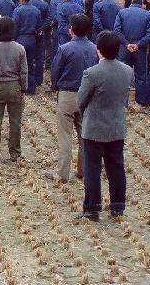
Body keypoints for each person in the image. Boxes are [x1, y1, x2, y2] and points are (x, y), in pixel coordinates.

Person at [75, 31, 132, 221]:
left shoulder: (91, 73)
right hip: (116, 125)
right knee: (116, 166)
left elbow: (80, 100)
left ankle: (92, 208)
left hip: (94, 127)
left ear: (98, 51)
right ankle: (117, 206)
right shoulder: (127, 70)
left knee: (92, 168)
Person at [47, 14, 98, 183]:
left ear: (71, 30)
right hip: (87, 95)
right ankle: (84, 171)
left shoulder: (65, 48)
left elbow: (55, 71)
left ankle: (62, 174)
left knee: (65, 136)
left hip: (67, 94)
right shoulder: (93, 48)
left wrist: (56, 86)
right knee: (85, 135)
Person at [0, 17, 27, 161]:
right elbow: (24, 72)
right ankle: (15, 152)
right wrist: (24, 88)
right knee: (15, 121)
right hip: (15, 87)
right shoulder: (20, 49)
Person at [114, 0, 150, 106]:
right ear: (143, 3)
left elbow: (116, 31)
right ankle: (141, 102)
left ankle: (122, 103)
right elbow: (149, 34)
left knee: (122, 75)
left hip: (124, 47)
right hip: (140, 49)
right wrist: (138, 45)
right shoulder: (147, 15)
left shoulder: (122, 12)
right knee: (141, 75)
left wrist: (126, 44)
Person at [12, 0, 43, 95]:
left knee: (18, 64)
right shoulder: (36, 10)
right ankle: (31, 87)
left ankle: (20, 86)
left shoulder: (18, 10)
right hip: (32, 39)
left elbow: (15, 27)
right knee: (30, 63)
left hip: (21, 39)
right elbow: (39, 27)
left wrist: (13, 39)